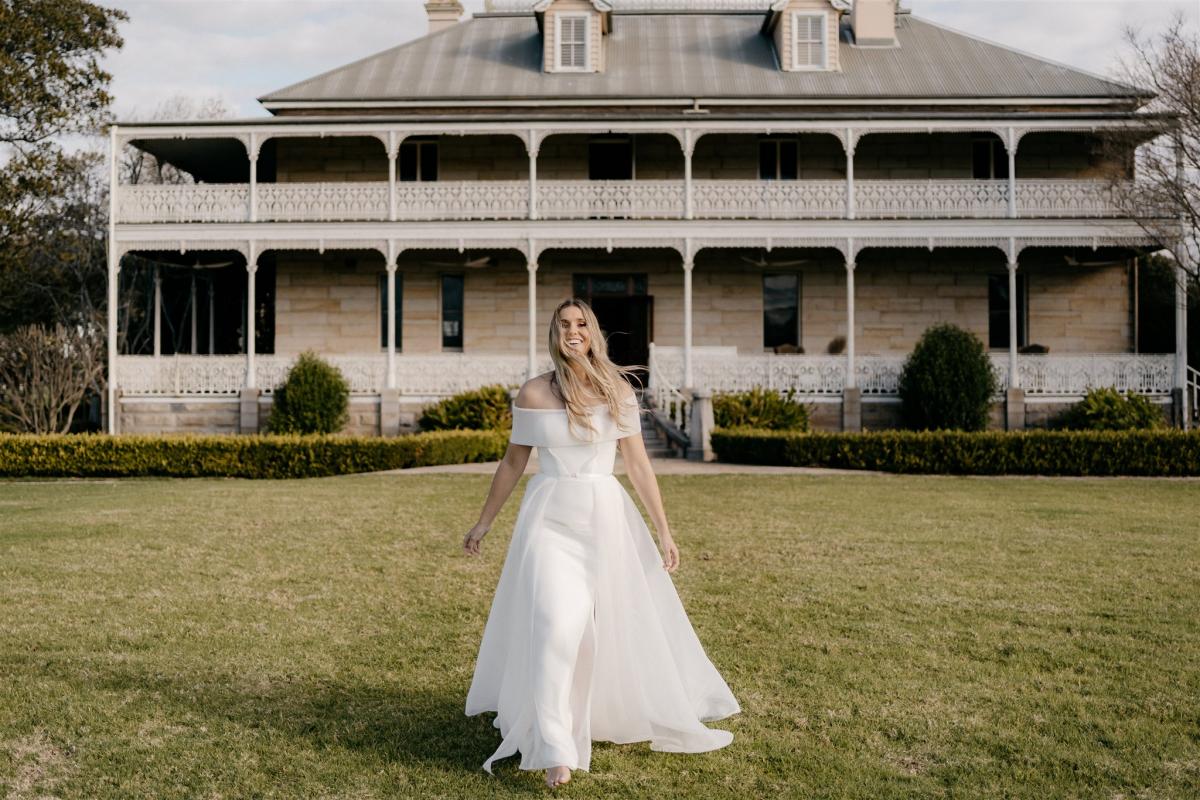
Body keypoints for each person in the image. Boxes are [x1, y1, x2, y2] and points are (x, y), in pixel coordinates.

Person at [462, 298, 740, 789]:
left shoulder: (618, 390)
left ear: (592, 332)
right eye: (565, 323)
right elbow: (512, 463)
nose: (573, 330)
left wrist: (664, 529)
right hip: (549, 519)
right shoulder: (532, 393)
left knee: (608, 627)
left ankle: (603, 710)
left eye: (581, 323)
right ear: (554, 333)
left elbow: (637, 464)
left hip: (606, 518)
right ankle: (554, 746)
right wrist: (484, 521)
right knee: (555, 624)